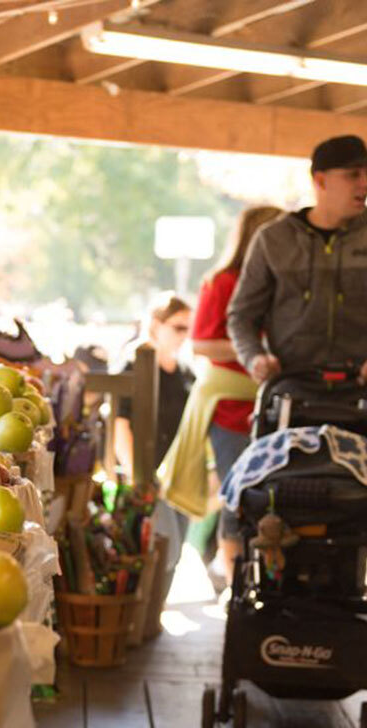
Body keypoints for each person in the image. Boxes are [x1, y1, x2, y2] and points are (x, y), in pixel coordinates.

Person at [227, 135, 367, 387]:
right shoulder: (273, 239)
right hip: (291, 389)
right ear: (320, 180)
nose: (365, 184)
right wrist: (255, 358)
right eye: (353, 175)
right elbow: (241, 316)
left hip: (365, 392)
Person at [158, 206, 284, 584]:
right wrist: (254, 353)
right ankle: (236, 582)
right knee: (238, 494)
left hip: (278, 407)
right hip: (230, 409)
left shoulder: (284, 285)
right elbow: (202, 344)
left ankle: (266, 581)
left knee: (273, 499)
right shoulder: (222, 282)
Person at [114, 296, 194, 582]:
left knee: (173, 555)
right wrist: (141, 478)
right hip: (147, 479)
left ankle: (153, 617)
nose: (185, 335)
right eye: (178, 327)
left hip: (176, 480)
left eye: (189, 328)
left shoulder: (186, 373)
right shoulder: (135, 365)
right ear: (157, 325)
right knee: (163, 553)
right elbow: (120, 425)